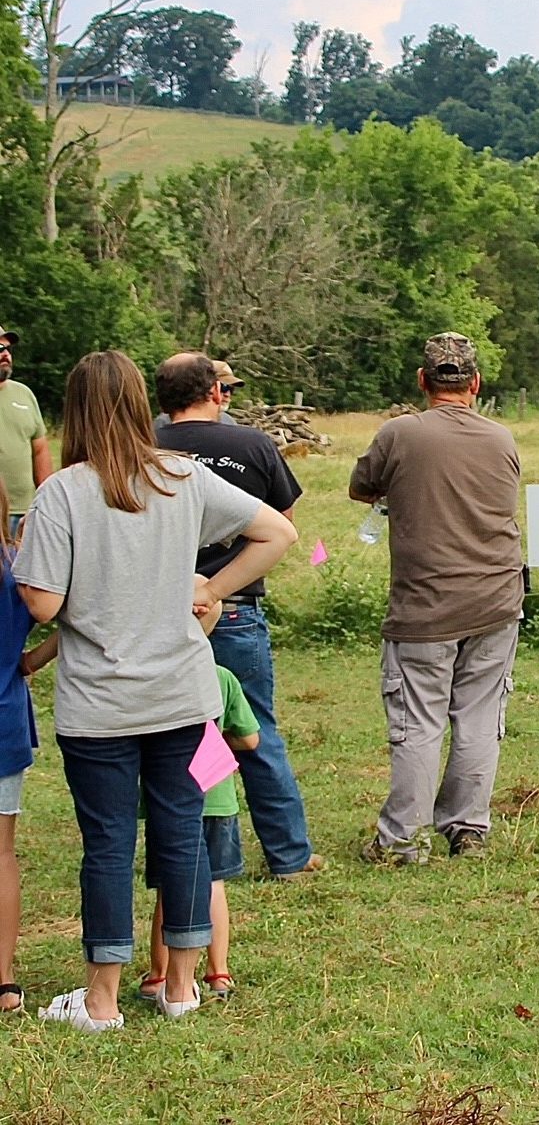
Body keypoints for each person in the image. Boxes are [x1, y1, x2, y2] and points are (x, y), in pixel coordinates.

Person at [14, 350, 297, 1032]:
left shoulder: (64, 493)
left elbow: (43, 604)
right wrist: (212, 588)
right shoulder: (182, 476)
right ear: (142, 403)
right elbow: (278, 531)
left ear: (73, 410)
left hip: (99, 705)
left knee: (108, 843)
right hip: (184, 697)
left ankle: (102, 999)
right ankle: (180, 987)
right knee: (184, 836)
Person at [350, 332, 523, 863]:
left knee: (418, 721)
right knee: (477, 719)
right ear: (476, 383)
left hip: (425, 604)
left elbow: (362, 487)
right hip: (496, 598)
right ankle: (467, 828)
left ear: (423, 381)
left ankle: (401, 840)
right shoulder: (502, 438)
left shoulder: (400, 433)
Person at [155, 352, 321, 880]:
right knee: (254, 729)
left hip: (156, 611)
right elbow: (282, 520)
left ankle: (198, 857)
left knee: (169, 735)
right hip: (233, 608)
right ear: (216, 392)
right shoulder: (252, 444)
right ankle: (289, 856)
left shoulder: (144, 449)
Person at [141, 665, 259, 1003]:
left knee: (171, 882)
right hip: (217, 795)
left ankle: (159, 974)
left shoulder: (156, 674)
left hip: (168, 799)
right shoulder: (222, 676)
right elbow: (250, 738)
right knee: (213, 884)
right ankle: (218, 972)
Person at [1, 485, 57, 1016]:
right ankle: (5, 979)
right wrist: (33, 659)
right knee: (1, 853)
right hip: (4, 722)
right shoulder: (17, 566)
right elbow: (77, 609)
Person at [0, 325, 52, 536]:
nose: (5, 354)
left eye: (8, 349)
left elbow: (39, 450)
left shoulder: (24, 394)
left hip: (24, 514)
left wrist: (48, 502)